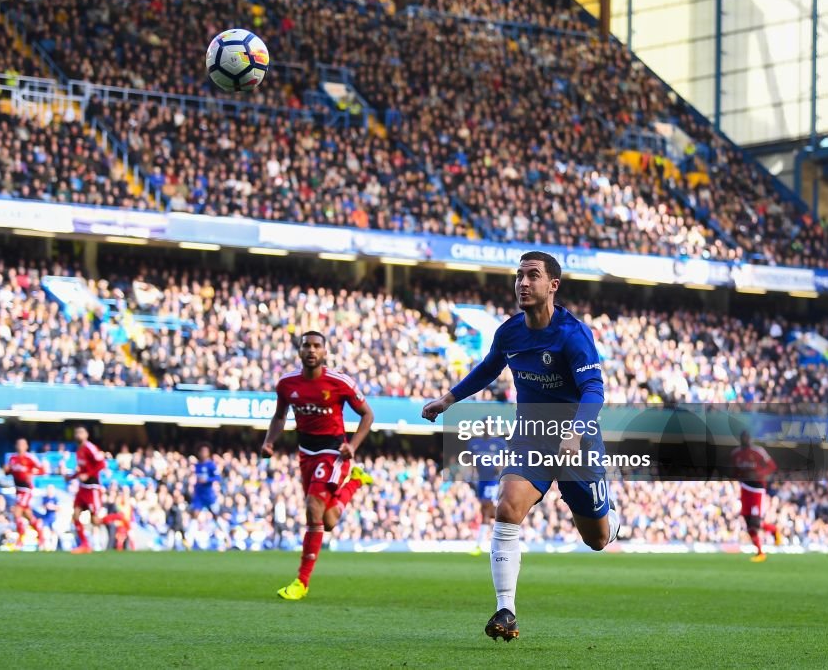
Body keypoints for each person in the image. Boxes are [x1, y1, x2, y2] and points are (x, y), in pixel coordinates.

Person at [422, 252, 620, 641]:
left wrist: (577, 431)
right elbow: (488, 368)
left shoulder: (573, 334)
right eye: (519, 276)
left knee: (596, 539)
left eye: (533, 276)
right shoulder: (510, 332)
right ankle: (505, 609)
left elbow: (594, 389)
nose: (523, 283)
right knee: (507, 507)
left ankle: (612, 517)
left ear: (553, 285)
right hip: (531, 436)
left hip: (577, 441)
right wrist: (448, 399)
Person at [262, 330, 375, 600]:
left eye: (316, 346)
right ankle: (356, 482)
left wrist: (353, 446)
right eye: (306, 346)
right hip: (305, 453)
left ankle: (301, 582)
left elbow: (367, 415)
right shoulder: (287, 384)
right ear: (299, 351)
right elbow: (279, 416)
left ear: (325, 352)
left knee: (313, 509)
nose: (311, 350)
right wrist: (269, 442)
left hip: (333, 452)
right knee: (328, 521)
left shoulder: (339, 382)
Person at [65, 426, 119, 553]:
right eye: (76, 432)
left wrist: (88, 475)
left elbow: (101, 464)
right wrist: (71, 476)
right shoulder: (79, 450)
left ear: (86, 435)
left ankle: (118, 518)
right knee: (75, 515)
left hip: (92, 487)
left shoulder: (90, 447)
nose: (78, 435)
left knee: (95, 520)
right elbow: (81, 470)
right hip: (82, 488)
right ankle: (85, 544)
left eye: (81, 432)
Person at [730, 430, 781, 562]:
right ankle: (760, 552)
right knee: (748, 522)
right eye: (743, 437)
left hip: (757, 489)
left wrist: (759, 474)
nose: (745, 440)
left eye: (747, 437)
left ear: (750, 439)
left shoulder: (758, 451)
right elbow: (735, 471)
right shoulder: (736, 454)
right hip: (744, 488)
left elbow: (772, 466)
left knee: (755, 522)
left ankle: (772, 533)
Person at [467, 430, 506, 556]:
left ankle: (480, 544)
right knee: (485, 511)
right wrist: (472, 476)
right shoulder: (474, 443)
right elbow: (472, 461)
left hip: (493, 481)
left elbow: (505, 460)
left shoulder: (500, 443)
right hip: (481, 481)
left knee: (486, 507)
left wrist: (501, 470)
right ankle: (509, 521)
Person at [4, 437, 45, 546]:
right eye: (18, 444)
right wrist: (6, 470)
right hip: (18, 490)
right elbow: (8, 472)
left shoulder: (30, 458)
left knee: (17, 512)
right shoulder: (12, 458)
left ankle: (20, 539)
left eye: (23, 444)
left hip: (26, 489)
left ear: (26, 446)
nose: (20, 446)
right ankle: (41, 535)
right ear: (16, 446)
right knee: (28, 515)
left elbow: (42, 470)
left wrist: (32, 473)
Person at [191, 445, 220, 513]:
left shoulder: (211, 465)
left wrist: (207, 480)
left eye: (205, 451)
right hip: (198, 493)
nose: (203, 453)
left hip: (208, 494)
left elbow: (218, 477)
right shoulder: (196, 465)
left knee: (214, 513)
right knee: (195, 513)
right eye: (202, 451)